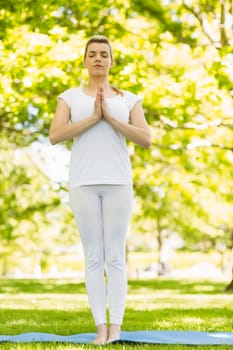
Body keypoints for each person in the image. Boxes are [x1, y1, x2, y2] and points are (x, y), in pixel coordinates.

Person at [49, 35, 151, 345]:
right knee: (94, 257)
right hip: (83, 182)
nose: (97, 58)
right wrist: (93, 117)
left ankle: (116, 326)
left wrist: (110, 117)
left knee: (116, 257)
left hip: (118, 182)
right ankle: (100, 328)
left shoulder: (129, 99)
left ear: (111, 61)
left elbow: (145, 138)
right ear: (84, 60)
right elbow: (55, 135)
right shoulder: (69, 97)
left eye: (103, 54)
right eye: (92, 54)